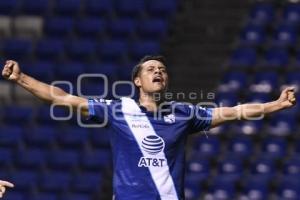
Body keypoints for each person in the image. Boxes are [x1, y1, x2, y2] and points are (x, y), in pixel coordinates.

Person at [1, 56, 296, 200]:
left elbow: (233, 112)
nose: (159, 71)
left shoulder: (183, 113)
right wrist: (22, 78)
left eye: (163, 70)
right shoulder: (119, 109)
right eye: (151, 69)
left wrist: (275, 105)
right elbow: (63, 97)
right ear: (138, 81)